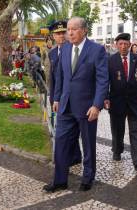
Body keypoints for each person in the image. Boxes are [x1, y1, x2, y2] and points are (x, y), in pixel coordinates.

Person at [43, 17, 108, 192]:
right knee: (61, 143)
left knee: (88, 145)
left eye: (74, 29)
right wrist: (56, 99)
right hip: (65, 107)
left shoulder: (97, 50)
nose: (69, 33)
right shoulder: (63, 49)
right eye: (68, 30)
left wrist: (97, 105)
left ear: (84, 30)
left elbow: (102, 81)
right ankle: (59, 180)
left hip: (87, 108)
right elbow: (60, 77)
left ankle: (88, 177)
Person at [104, 33, 137, 171]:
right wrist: (105, 97)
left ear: (130, 45)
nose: (123, 46)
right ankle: (117, 150)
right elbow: (105, 82)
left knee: (134, 130)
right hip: (116, 102)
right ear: (116, 45)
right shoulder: (110, 60)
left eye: (126, 44)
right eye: (120, 44)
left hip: (135, 102)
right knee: (117, 130)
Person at [48, 20, 82, 166]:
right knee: (65, 130)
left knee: (71, 129)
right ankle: (74, 156)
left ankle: (72, 156)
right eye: (58, 34)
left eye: (63, 32)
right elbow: (53, 77)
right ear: (53, 36)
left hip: (73, 97)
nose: (61, 36)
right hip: (58, 96)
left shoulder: (74, 49)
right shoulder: (52, 53)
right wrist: (53, 98)